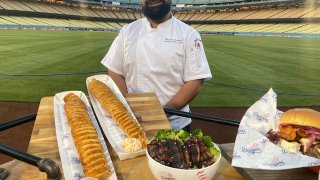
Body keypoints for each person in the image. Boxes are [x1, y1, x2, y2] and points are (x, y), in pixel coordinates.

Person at [101, 0, 212, 131]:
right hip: (132, 122)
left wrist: (164, 112)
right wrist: (127, 106)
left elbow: (195, 81)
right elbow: (114, 70)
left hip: (174, 125)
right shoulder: (127, 31)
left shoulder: (189, 34)